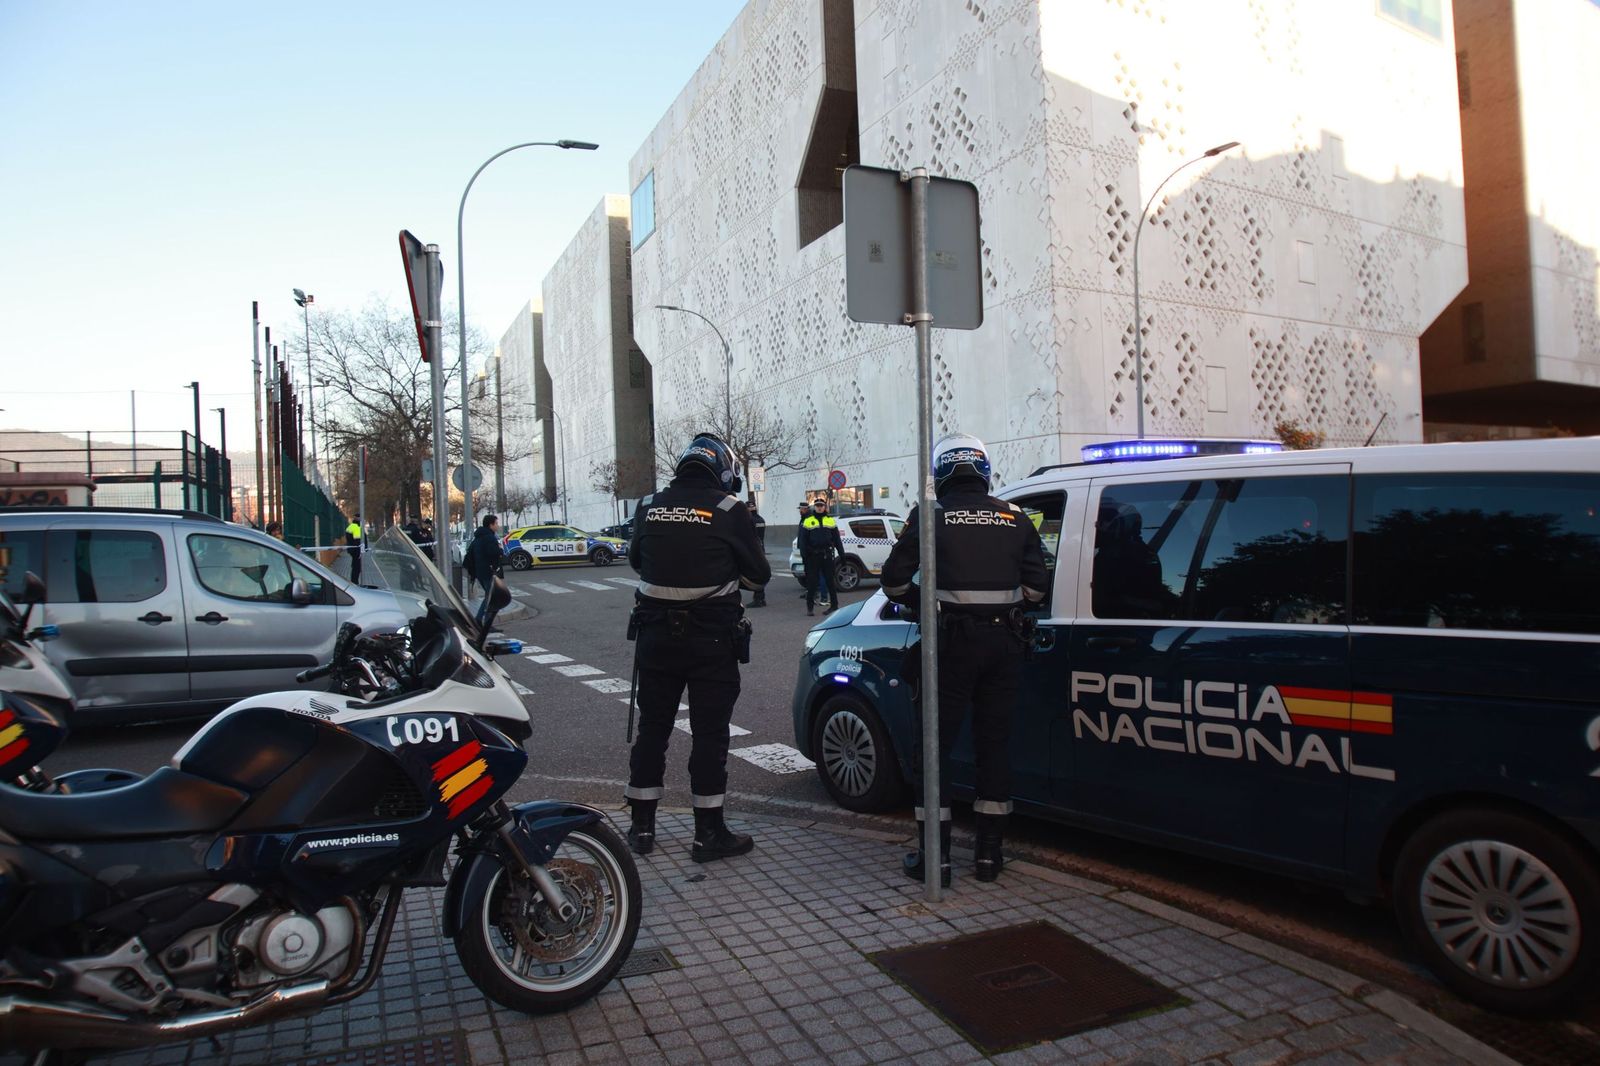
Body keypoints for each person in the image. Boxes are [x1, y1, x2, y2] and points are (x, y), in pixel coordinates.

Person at [881, 433, 1049, 886]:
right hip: (1004, 647)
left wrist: (923, 600)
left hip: (949, 646)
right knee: (994, 747)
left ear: (941, 473)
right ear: (984, 470)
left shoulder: (931, 515)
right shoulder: (1015, 516)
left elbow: (893, 581)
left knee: (934, 751)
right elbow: (1037, 590)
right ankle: (989, 858)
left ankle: (936, 860)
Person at [623, 432, 771, 862]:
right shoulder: (729, 509)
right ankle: (708, 834)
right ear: (723, 471)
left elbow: (637, 561)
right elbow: (758, 575)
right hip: (710, 640)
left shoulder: (649, 506)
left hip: (654, 639)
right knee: (709, 735)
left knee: (653, 729)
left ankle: (642, 829)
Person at [798, 497, 845, 616]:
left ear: (825, 507)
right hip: (813, 556)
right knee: (812, 582)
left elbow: (837, 540)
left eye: (821, 505)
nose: (819, 507)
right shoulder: (808, 521)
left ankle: (834, 605)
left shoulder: (830, 521)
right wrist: (804, 557)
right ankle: (810, 608)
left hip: (827, 555)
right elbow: (803, 541)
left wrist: (842, 555)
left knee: (830, 581)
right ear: (815, 507)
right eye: (817, 505)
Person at [468, 514, 505, 628]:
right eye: (496, 523)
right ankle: (481, 621)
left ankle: (482, 621)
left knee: (490, 597)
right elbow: (492, 553)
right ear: (491, 524)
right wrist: (500, 550)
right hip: (488, 571)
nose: (498, 526)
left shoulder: (479, 537)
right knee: (491, 598)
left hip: (480, 571)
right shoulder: (489, 537)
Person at [746, 503, 768, 608]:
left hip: (753, 548)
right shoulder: (761, 519)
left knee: (755, 573)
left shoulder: (749, 520)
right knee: (760, 572)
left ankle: (758, 599)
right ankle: (761, 598)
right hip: (761, 547)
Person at [345, 518, 364, 585]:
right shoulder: (356, 528)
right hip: (356, 551)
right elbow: (358, 541)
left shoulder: (351, 526)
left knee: (355, 566)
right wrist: (360, 552)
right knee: (357, 567)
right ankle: (354, 582)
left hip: (353, 550)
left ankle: (354, 581)